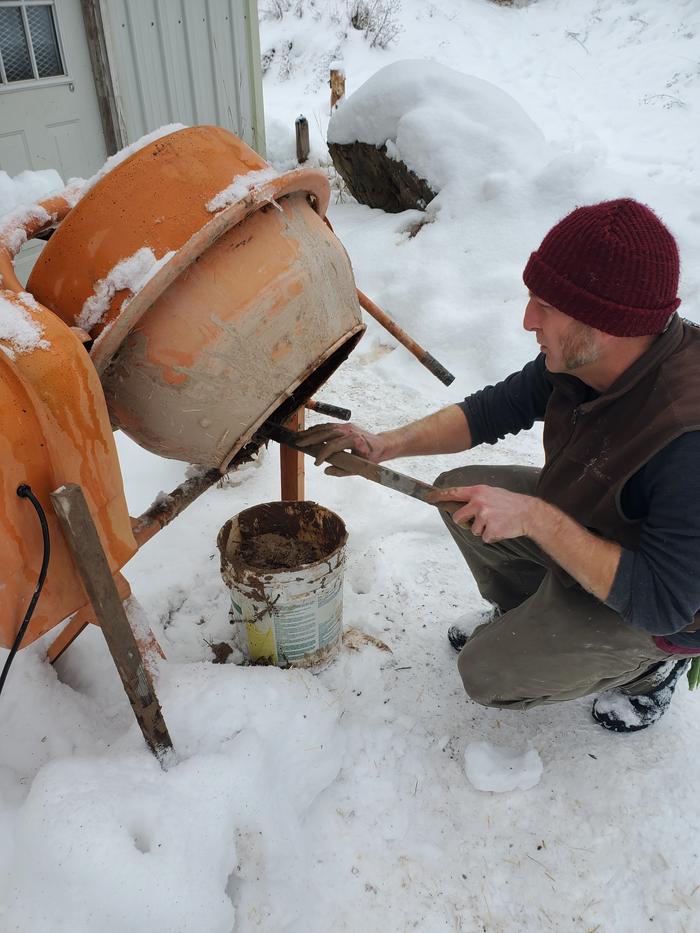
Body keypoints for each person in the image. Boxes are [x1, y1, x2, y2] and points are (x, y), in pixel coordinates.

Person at [297, 198, 700, 733]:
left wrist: (536, 518)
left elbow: (664, 601)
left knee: (487, 673)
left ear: (605, 324)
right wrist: (385, 444)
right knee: (456, 492)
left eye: (545, 307)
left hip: (665, 605)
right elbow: (492, 410)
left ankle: (649, 671)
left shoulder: (686, 437)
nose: (527, 320)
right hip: (600, 522)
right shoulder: (590, 358)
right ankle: (532, 610)